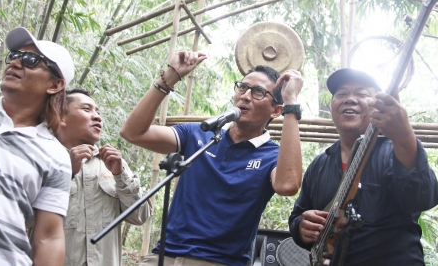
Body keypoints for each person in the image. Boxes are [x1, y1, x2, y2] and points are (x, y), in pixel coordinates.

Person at [120, 51, 304, 266]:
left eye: (258, 92)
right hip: (164, 257)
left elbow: (288, 185)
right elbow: (133, 133)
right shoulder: (200, 134)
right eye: (243, 87)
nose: (245, 95)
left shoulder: (272, 156)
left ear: (276, 111)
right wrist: (168, 79)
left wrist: (292, 105)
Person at [289, 68, 438, 266]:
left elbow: (423, 198)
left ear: (376, 108)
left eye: (361, 94)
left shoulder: (395, 151)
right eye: (342, 94)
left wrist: (404, 136)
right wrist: (301, 226)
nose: (350, 99)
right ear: (333, 105)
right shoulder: (320, 164)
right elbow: (297, 216)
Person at [0, 27, 74, 265]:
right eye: (14, 56)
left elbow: (48, 238)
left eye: (30, 60)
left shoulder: (56, 155)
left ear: (55, 85)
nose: (15, 63)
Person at [55, 88, 151, 266]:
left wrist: (120, 175)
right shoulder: (44, 158)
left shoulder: (113, 163)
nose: (97, 117)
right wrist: (66, 173)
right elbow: (24, 217)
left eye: (98, 112)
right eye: (86, 109)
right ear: (60, 117)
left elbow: (140, 216)